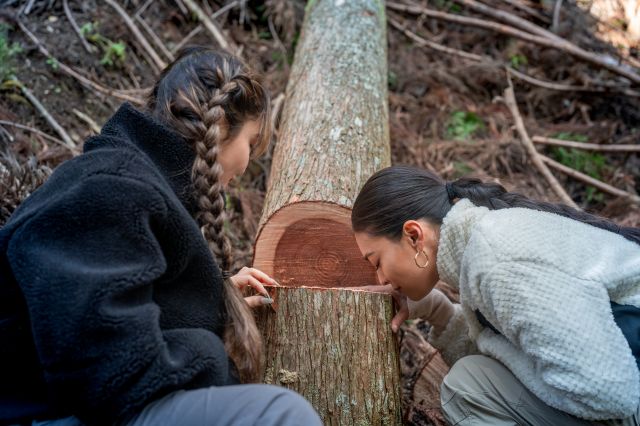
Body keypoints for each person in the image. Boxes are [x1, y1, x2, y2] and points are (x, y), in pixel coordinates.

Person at [0, 47, 321, 426]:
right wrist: (204, 347)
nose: (248, 165)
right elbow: (101, 365)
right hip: (51, 416)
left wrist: (209, 305)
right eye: (251, 143)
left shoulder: (136, 185)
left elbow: (116, 303)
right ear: (218, 128)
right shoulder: (110, 185)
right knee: (281, 415)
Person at [351, 165, 640, 425]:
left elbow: (609, 393)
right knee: (470, 382)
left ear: (414, 236)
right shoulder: (483, 243)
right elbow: (513, 353)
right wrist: (437, 311)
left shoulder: (497, 258)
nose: (381, 279)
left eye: (377, 262)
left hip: (627, 396)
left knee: (466, 389)